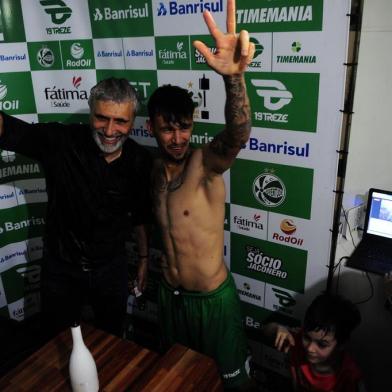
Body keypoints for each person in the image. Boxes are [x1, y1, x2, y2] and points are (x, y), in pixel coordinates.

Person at [146, 0, 255, 389]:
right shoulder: (154, 168)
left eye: (185, 128)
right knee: (179, 381)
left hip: (213, 303)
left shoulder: (204, 164)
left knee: (233, 386)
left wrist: (233, 78)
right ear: (152, 127)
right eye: (167, 129)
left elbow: (238, 134)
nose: (177, 139)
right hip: (170, 299)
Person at [0, 78, 152, 338]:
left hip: (111, 269)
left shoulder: (140, 160)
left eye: (121, 121)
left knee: (111, 339)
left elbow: (139, 216)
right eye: (102, 118)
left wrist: (144, 259)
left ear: (133, 119)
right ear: (91, 112)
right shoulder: (61, 141)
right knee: (54, 341)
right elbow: (10, 130)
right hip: (60, 269)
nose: (109, 130)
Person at [262, 293, 366, 392]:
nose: (309, 348)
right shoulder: (296, 343)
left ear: (341, 344)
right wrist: (277, 329)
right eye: (307, 337)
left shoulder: (349, 375)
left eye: (322, 344)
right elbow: (266, 330)